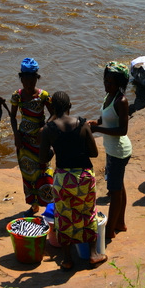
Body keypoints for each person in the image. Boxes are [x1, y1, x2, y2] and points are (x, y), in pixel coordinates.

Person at [39, 91, 107, 270]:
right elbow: (94, 153)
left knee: (63, 217)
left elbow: (42, 158)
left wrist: (54, 150)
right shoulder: (82, 124)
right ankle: (93, 254)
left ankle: (67, 259)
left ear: (52, 108)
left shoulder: (48, 129)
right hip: (83, 176)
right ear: (70, 106)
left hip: (63, 179)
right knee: (88, 212)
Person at [88, 61, 132, 241]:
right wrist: (95, 123)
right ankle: (120, 222)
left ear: (119, 84)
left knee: (114, 191)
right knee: (118, 187)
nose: (107, 85)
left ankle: (110, 230)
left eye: (111, 83)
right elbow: (105, 118)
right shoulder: (109, 97)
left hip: (119, 151)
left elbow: (123, 130)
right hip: (112, 149)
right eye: (105, 81)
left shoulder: (121, 100)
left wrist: (98, 130)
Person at [10, 57, 53, 214]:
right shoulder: (17, 96)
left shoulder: (43, 96)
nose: (28, 85)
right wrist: (16, 135)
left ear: (37, 78)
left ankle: (50, 207)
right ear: (21, 79)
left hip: (40, 141)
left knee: (45, 172)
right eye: (25, 81)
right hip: (24, 141)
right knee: (27, 174)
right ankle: (34, 206)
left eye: (32, 81)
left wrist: (45, 128)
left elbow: (54, 114)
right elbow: (13, 117)